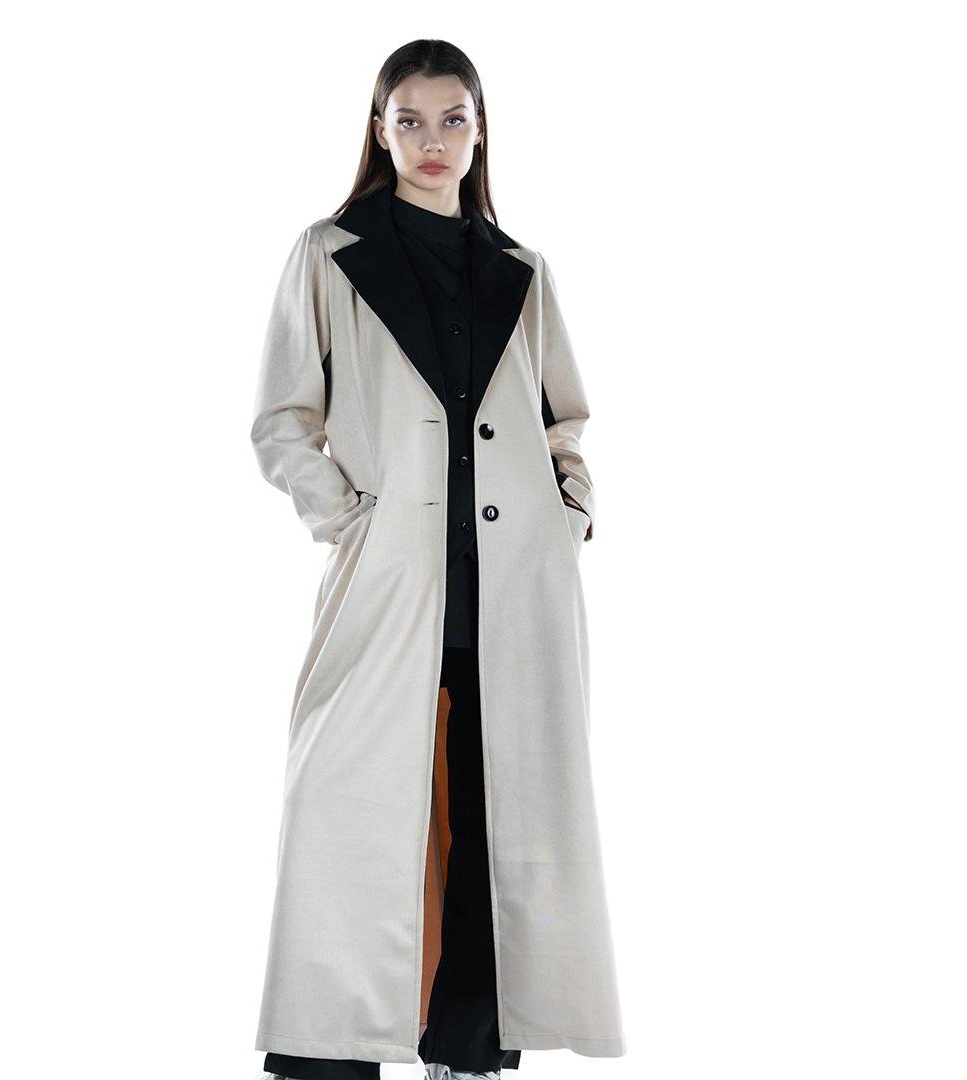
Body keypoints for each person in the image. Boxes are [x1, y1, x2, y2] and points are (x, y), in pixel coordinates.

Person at [251, 38, 624, 1080]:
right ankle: (333, 1051)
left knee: (494, 815)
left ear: (479, 130)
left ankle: (467, 1048)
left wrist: (571, 512)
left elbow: (563, 418)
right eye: (409, 120)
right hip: (390, 586)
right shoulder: (330, 254)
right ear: (379, 131)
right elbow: (284, 419)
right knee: (349, 804)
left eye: (452, 119)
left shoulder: (521, 270)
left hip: (514, 593)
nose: (432, 141)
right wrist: (348, 519)